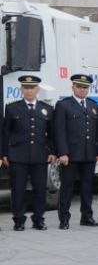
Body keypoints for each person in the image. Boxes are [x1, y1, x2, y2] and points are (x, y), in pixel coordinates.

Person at [2, 75, 55, 231]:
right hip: (18, 155)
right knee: (18, 189)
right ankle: (19, 220)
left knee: (39, 189)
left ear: (37, 89)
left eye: (32, 88)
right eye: (26, 88)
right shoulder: (12, 108)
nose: (29, 91)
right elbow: (6, 133)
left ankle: (39, 219)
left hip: (40, 155)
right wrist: (4, 153)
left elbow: (52, 134)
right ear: (21, 89)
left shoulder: (47, 109)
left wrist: (52, 151)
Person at [54, 74, 98, 230]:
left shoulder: (93, 106)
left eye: (85, 87)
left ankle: (87, 217)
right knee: (67, 187)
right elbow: (59, 131)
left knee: (87, 187)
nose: (82, 90)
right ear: (73, 87)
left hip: (89, 154)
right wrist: (62, 153)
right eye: (79, 87)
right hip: (71, 155)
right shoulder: (64, 105)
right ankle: (64, 219)